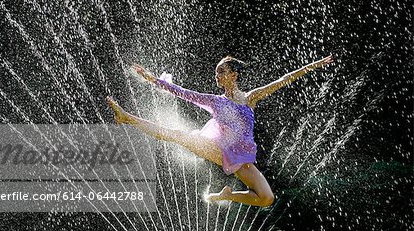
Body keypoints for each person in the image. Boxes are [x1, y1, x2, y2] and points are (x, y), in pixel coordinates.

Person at [107, 54, 333, 207]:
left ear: (234, 75)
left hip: (242, 157)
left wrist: (313, 65)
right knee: (174, 135)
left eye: (221, 72)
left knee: (266, 198)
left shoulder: (249, 98)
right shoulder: (214, 101)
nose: (217, 76)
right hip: (218, 148)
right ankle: (126, 117)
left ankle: (226, 196)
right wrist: (151, 78)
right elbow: (181, 92)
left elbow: (283, 80)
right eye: (216, 73)